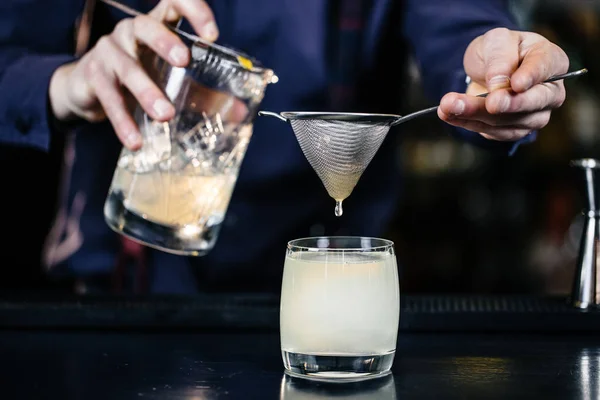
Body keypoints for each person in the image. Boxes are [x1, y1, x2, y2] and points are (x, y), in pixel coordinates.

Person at [0, 0, 569, 294]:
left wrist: (500, 71)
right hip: (117, 287)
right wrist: (63, 83)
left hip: (325, 294)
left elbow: (464, 31)